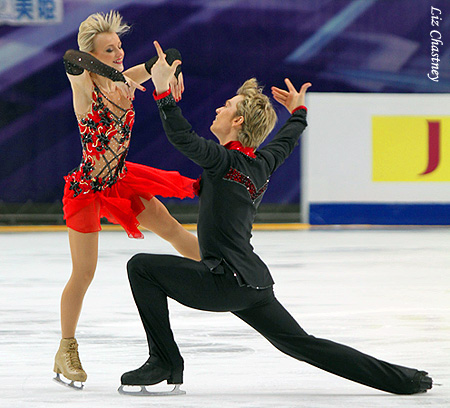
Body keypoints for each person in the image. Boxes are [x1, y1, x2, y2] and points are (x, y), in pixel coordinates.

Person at [119, 41, 433, 396]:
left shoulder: (224, 162)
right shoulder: (260, 164)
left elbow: (181, 136)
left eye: (227, 107)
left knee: (141, 267)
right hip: (252, 285)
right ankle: (405, 379)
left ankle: (164, 361)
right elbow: (287, 139)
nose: (220, 109)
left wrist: (162, 90)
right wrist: (298, 112)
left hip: (223, 281)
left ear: (237, 121)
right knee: (302, 344)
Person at [53, 13, 201, 389]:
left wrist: (172, 67)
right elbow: (72, 57)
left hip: (120, 179)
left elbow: (165, 57)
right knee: (84, 272)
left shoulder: (130, 77)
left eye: (119, 47)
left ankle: (232, 268)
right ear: (94, 53)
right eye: (110, 49)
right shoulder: (84, 87)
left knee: (171, 229)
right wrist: (120, 75)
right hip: (88, 186)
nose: (119, 54)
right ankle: (65, 348)